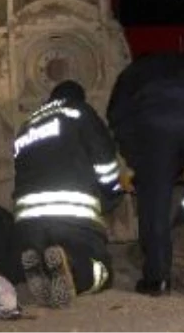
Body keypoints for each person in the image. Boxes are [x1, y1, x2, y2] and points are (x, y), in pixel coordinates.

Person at [106, 52, 184, 298]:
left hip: (155, 120)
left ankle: (157, 279)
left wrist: (138, 163)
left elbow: (118, 117)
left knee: (154, 205)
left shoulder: (132, 73)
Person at [12, 80, 122, 308]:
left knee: (51, 254)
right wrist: (112, 193)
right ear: (78, 97)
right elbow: (105, 160)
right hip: (72, 215)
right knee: (102, 269)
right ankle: (74, 269)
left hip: (27, 223)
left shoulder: (26, 125)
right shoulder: (76, 110)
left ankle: (43, 267)